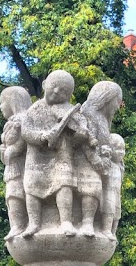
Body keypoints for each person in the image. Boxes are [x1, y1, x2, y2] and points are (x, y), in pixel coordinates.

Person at [20, 70, 93, 236]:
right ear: (45, 84)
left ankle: (65, 221)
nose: (56, 92)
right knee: (31, 186)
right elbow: (26, 131)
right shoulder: (34, 109)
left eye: (63, 91)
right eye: (53, 87)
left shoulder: (71, 112)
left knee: (64, 183)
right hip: (37, 157)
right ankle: (33, 223)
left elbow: (78, 137)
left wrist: (81, 135)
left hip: (62, 155)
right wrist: (43, 136)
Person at [76, 81, 123, 236]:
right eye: (117, 101)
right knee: (92, 186)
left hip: (100, 162)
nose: (117, 107)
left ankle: (92, 224)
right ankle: (87, 223)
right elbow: (85, 140)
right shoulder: (88, 113)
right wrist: (95, 159)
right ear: (107, 98)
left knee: (97, 189)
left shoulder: (103, 118)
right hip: (85, 161)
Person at [0, 86, 33, 239]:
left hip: (23, 166)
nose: (0, 107)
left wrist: (11, 151)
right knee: (11, 195)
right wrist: (5, 152)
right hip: (11, 166)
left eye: (2, 102)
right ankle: (17, 225)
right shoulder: (10, 123)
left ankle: (20, 225)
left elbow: (24, 141)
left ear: (12, 102)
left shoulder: (23, 119)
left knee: (16, 194)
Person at [102, 133, 125, 238]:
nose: (121, 152)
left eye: (123, 149)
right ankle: (106, 229)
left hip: (116, 193)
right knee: (109, 209)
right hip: (108, 192)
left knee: (117, 213)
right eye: (118, 149)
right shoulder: (109, 164)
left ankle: (113, 232)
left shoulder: (120, 166)